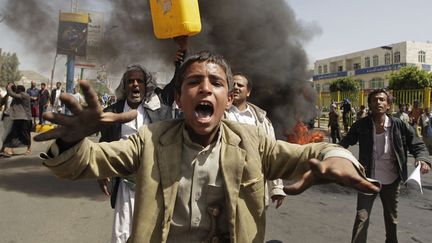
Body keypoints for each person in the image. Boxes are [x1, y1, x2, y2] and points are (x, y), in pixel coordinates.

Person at [36, 51, 380, 242]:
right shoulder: (150, 140)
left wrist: (338, 157)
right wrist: (72, 138)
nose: (204, 88)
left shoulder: (254, 142)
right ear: (180, 98)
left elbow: (310, 152)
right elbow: (84, 163)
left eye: (215, 82)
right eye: (193, 82)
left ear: (227, 98)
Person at [339, 89, 431, 243]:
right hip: (367, 179)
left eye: (382, 100)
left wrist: (422, 159)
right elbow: (345, 142)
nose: (378, 102)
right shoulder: (361, 125)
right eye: (374, 100)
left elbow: (417, 144)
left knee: (391, 219)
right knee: (362, 217)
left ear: (388, 105)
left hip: (391, 180)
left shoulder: (399, 125)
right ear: (369, 104)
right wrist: (329, 151)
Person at [97, 65, 173, 243]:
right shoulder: (112, 112)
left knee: (152, 229)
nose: (135, 84)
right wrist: (101, 171)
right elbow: (104, 144)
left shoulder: (158, 110)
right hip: (125, 181)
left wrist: (181, 54)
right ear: (125, 86)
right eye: (131, 81)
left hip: (154, 179)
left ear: (147, 86)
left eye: (139, 81)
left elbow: (176, 84)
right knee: (123, 231)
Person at [225, 73, 286, 208]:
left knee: (253, 228)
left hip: (255, 187)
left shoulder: (261, 120)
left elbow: (271, 153)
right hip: (226, 186)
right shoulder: (219, 114)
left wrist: (277, 187)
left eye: (240, 85)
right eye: (232, 85)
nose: (235, 87)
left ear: (248, 92)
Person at [2, 83, 32, 156]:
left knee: (25, 134)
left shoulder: (24, 95)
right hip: (17, 118)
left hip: (25, 118)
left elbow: (12, 94)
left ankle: (29, 148)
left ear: (20, 90)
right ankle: (7, 150)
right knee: (12, 134)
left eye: (17, 89)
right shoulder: (17, 97)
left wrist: (8, 87)